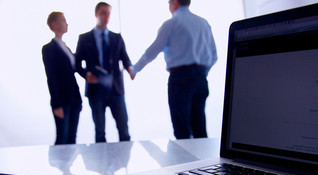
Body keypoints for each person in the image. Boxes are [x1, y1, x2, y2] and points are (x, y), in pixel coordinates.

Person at [131, 0, 218, 139]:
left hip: (180, 79)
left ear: (175, 3)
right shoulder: (204, 23)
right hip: (201, 79)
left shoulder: (171, 24)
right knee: (199, 127)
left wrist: (135, 69)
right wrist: (201, 73)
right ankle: (206, 161)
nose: (169, 6)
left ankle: (188, 161)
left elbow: (152, 51)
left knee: (181, 128)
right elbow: (214, 56)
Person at [75, 2, 133, 143]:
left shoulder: (117, 38)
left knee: (124, 130)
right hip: (96, 90)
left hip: (115, 89)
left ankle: (126, 163)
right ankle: (102, 164)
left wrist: (131, 69)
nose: (106, 16)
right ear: (96, 14)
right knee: (100, 132)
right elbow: (77, 63)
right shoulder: (84, 38)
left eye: (108, 13)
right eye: (103, 13)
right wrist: (85, 75)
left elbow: (125, 59)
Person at [42, 12, 82, 145]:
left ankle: (68, 166)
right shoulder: (48, 49)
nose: (66, 24)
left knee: (72, 138)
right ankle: (59, 166)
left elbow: (76, 68)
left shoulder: (67, 48)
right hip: (62, 101)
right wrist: (57, 104)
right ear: (54, 24)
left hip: (74, 99)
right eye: (63, 21)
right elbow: (51, 77)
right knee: (62, 138)